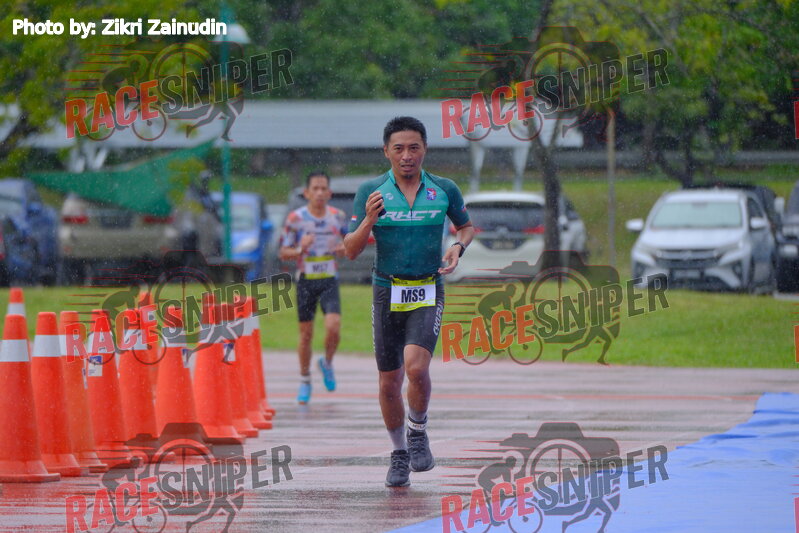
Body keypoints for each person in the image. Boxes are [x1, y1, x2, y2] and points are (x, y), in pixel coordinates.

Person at [344, 116, 475, 487]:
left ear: (425, 149)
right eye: (398, 148)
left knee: (416, 368)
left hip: (427, 288)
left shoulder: (444, 189)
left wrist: (457, 246)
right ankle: (399, 453)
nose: (407, 156)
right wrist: (368, 220)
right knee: (389, 381)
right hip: (386, 290)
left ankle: (417, 431)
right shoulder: (371, 191)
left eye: (414, 147)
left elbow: (466, 226)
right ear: (386, 151)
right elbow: (350, 250)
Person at [279, 171, 347, 404]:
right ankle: (305, 379)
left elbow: (350, 244)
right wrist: (301, 248)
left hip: (329, 279)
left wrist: (344, 248)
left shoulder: (337, 217)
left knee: (333, 326)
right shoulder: (295, 219)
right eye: (315, 189)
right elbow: (283, 252)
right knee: (306, 334)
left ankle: (326, 362)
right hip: (306, 280)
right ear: (307, 193)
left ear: (329, 193)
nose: (319, 193)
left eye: (323, 188)